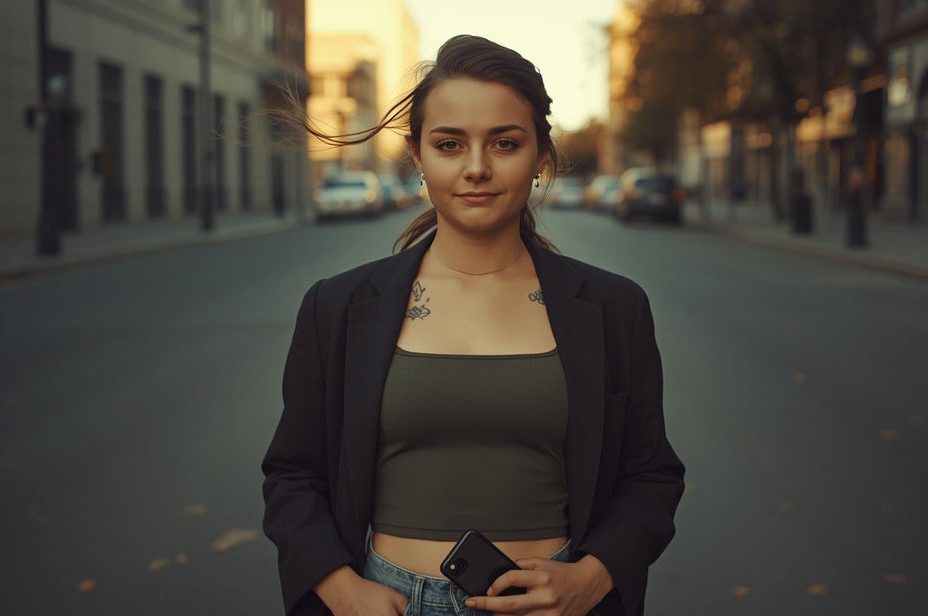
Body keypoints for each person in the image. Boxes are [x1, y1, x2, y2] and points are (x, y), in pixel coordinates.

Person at [261, 34, 686, 616]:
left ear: (540, 157)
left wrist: (592, 578)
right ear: (418, 157)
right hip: (388, 603)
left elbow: (651, 476)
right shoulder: (338, 306)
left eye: (505, 143)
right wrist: (341, 589)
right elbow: (292, 475)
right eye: (449, 144)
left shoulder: (614, 307)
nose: (477, 168)